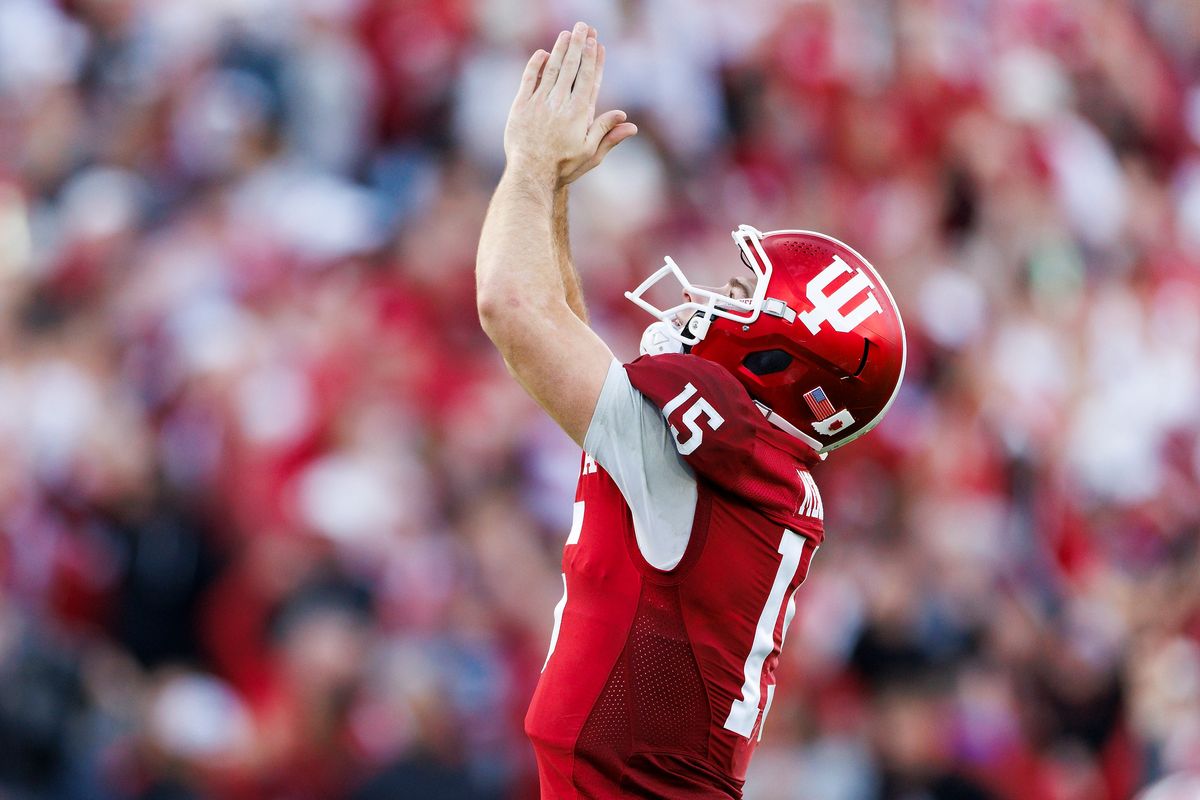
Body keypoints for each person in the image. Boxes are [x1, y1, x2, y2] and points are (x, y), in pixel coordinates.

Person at [476, 22, 906, 799]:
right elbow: (568, 334)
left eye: (745, 299)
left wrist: (530, 166)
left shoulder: (715, 445)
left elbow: (512, 309)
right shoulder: (750, 457)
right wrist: (560, 194)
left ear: (781, 359)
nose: (716, 302)